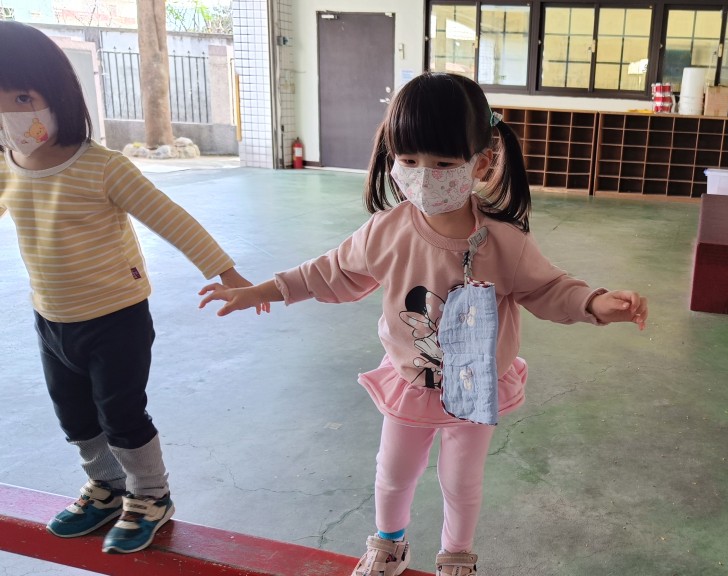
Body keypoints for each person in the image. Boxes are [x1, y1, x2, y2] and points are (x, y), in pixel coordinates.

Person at [198, 72, 648, 576]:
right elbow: (329, 272)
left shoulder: (504, 241)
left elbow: (548, 288)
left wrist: (594, 303)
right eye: (408, 160)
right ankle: (389, 545)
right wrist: (262, 291)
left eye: (443, 164)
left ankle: (456, 556)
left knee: (462, 481)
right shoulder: (386, 231)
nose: (422, 176)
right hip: (412, 383)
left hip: (476, 387)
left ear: (481, 162)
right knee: (393, 473)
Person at [0, 21, 264, 554]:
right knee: (74, 415)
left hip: (115, 317)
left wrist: (226, 271)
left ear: (58, 94)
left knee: (121, 413)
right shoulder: (8, 165)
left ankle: (150, 494)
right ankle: (106, 486)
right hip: (51, 318)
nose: (11, 113)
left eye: (23, 97)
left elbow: (172, 219)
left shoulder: (102, 167)